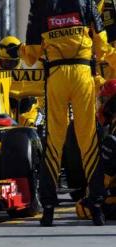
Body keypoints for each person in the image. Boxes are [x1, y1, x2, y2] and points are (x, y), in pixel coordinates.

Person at [11, 0, 116, 226]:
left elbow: (31, 54)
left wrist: (17, 49)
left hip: (56, 76)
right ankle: (97, 207)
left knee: (54, 142)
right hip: (82, 74)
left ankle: (48, 209)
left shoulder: (39, 5)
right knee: (88, 140)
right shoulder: (86, 2)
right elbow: (102, 45)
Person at [76, 79, 116, 220]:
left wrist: (92, 197)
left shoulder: (111, 138)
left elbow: (104, 180)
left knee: (83, 208)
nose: (102, 104)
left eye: (104, 100)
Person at [0, 36, 44, 127]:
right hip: (1, 120)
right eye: (4, 62)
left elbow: (39, 102)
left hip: (27, 118)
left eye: (10, 63)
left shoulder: (29, 76)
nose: (7, 65)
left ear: (18, 61)